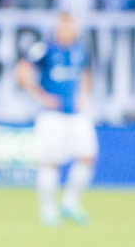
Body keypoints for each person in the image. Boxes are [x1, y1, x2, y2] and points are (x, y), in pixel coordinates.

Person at [17, 11, 95, 226]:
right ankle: (48, 210)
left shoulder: (81, 50)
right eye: (64, 27)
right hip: (51, 116)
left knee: (87, 156)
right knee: (50, 162)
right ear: (57, 28)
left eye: (71, 28)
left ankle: (70, 203)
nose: (68, 31)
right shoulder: (44, 48)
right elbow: (22, 70)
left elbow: (86, 74)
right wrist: (40, 96)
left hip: (76, 115)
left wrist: (84, 96)